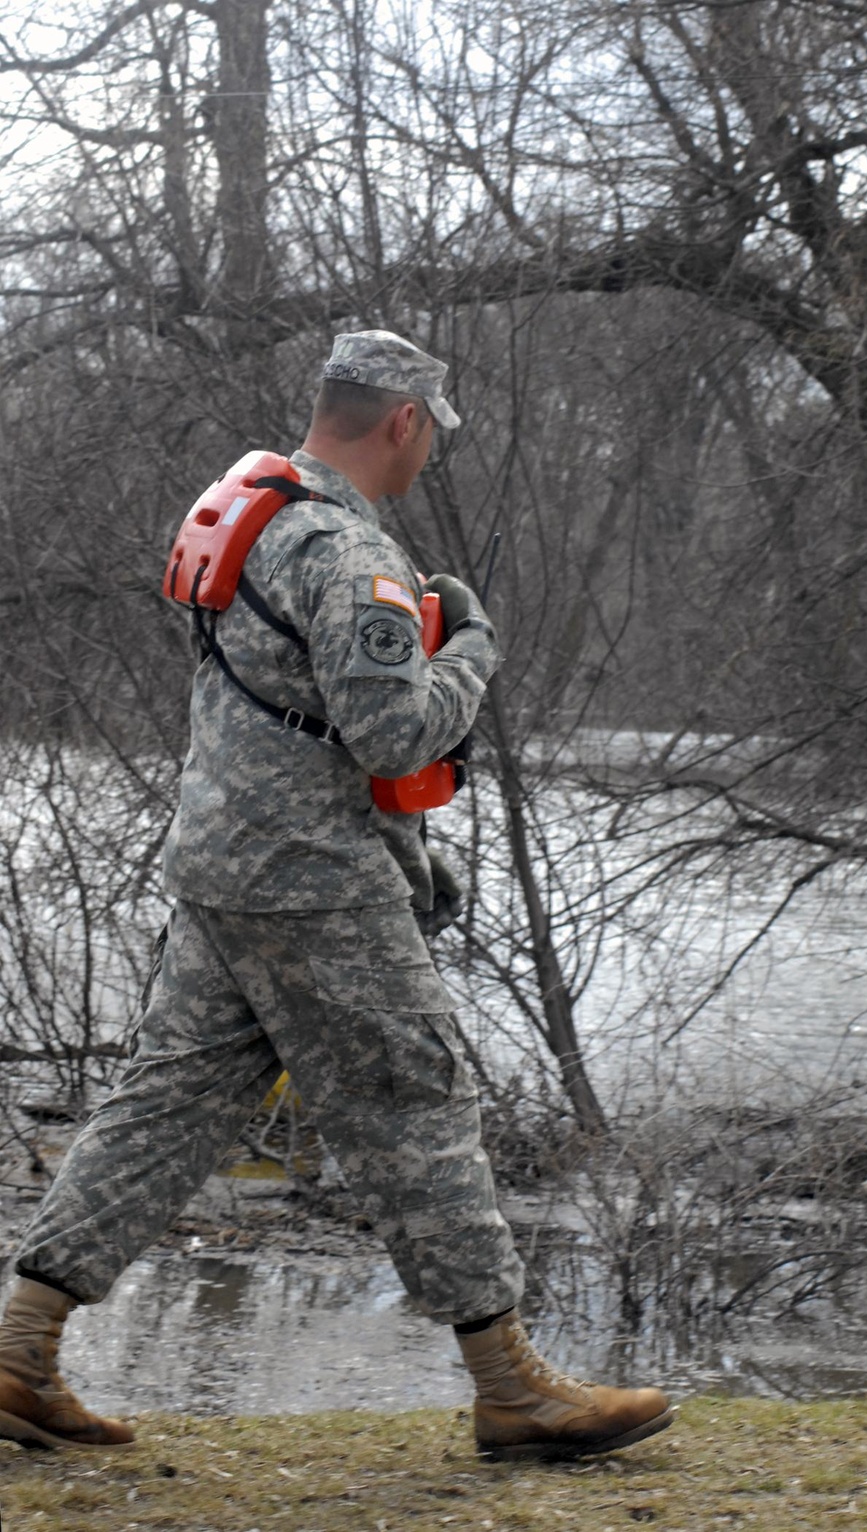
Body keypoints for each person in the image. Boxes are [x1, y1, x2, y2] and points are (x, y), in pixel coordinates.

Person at [0, 330, 672, 1462]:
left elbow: (290, 709)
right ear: (402, 420)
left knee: (161, 1108)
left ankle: (18, 1351)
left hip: (222, 866)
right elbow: (394, 729)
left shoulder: (249, 518)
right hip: (314, 883)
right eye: (428, 438)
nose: (426, 460)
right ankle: (515, 1391)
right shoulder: (344, 552)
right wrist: (468, 648)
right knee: (421, 1103)